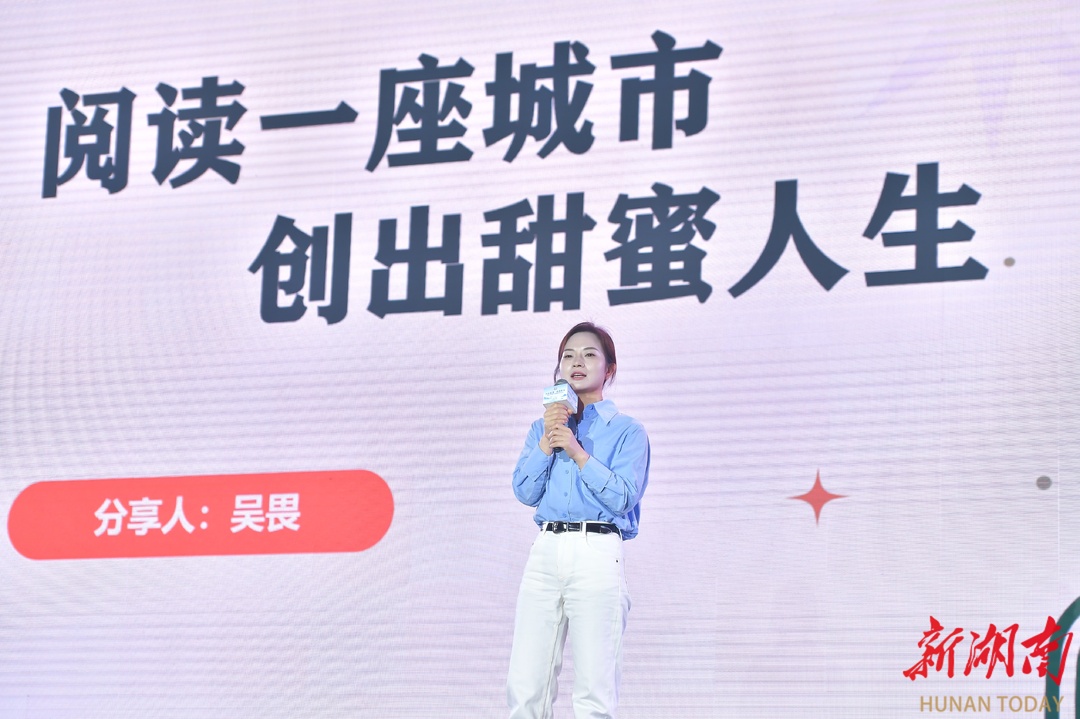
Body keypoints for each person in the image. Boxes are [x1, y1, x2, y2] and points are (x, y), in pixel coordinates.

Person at [507, 322, 650, 719]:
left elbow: (623, 496)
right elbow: (524, 491)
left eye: (589, 354)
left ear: (610, 369)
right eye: (568, 356)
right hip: (546, 549)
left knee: (593, 691)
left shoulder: (627, 431)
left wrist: (577, 453)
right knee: (526, 686)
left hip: (596, 549)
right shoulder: (543, 427)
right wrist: (547, 440)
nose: (576, 362)